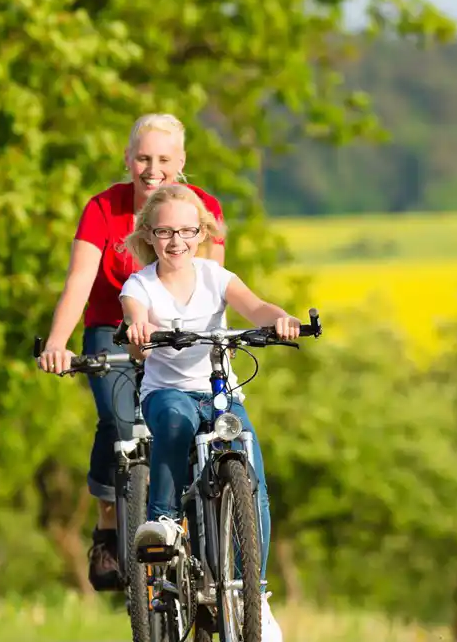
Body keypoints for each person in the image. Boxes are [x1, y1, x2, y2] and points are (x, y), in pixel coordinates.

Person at [35, 113, 226, 590]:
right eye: (142, 157)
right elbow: (80, 280)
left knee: (198, 423)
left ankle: (199, 522)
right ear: (127, 159)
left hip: (181, 333)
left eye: (163, 158)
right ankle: (108, 521)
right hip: (112, 328)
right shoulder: (103, 208)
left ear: (181, 162)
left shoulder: (204, 208)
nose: (151, 168)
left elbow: (212, 285)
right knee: (120, 421)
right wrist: (57, 342)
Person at [119, 184, 295, 642]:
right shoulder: (140, 285)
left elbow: (254, 306)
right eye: (165, 231)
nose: (176, 240)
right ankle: (161, 523)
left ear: (202, 233)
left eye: (186, 230)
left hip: (220, 392)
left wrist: (278, 318)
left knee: (250, 468)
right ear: (149, 236)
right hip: (169, 391)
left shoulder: (217, 277)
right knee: (174, 424)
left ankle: (251, 593)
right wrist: (141, 330)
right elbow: (136, 319)